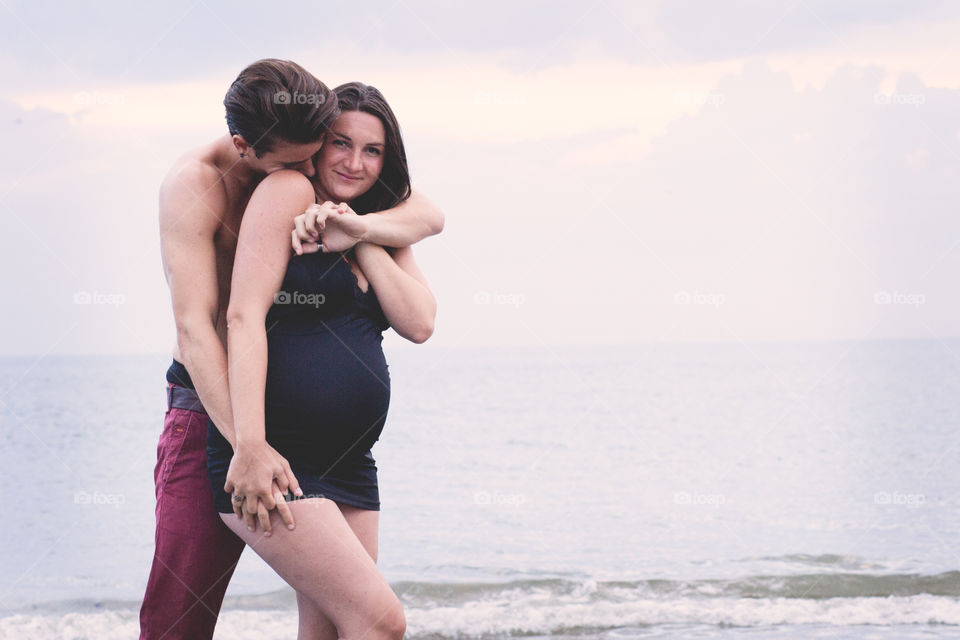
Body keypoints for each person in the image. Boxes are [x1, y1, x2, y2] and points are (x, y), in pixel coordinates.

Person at [145, 60, 443, 640]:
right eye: (303, 159)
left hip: (335, 454)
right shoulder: (200, 186)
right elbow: (202, 327)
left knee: (333, 623)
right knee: (180, 615)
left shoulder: (332, 184)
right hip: (211, 407)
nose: (320, 170)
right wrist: (247, 444)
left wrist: (359, 230)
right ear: (247, 147)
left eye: (322, 151)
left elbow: (427, 216)